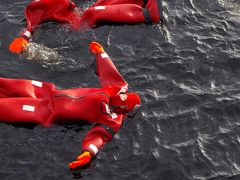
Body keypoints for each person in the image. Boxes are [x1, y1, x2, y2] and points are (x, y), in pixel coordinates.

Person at [0, 42, 141, 169]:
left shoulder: (112, 119)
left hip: (46, 111)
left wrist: (89, 152)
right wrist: (101, 53)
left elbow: (99, 136)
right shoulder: (118, 88)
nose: (120, 97)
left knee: (6, 107)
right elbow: (109, 71)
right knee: (9, 84)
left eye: (122, 99)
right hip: (48, 91)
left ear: (124, 110)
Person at [9, 0, 164, 54]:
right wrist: (24, 37)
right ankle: (148, 14)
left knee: (98, 6)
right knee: (92, 13)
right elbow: (30, 20)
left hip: (77, 15)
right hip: (79, 24)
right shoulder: (37, 7)